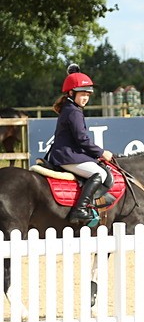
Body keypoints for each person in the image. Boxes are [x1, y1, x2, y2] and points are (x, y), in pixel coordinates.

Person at [48, 64, 113, 223]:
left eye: (88, 95)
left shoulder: (70, 108)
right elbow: (82, 140)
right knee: (101, 174)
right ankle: (80, 209)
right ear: (71, 93)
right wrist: (101, 152)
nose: (85, 98)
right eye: (82, 94)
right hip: (67, 157)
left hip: (69, 154)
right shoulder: (73, 111)